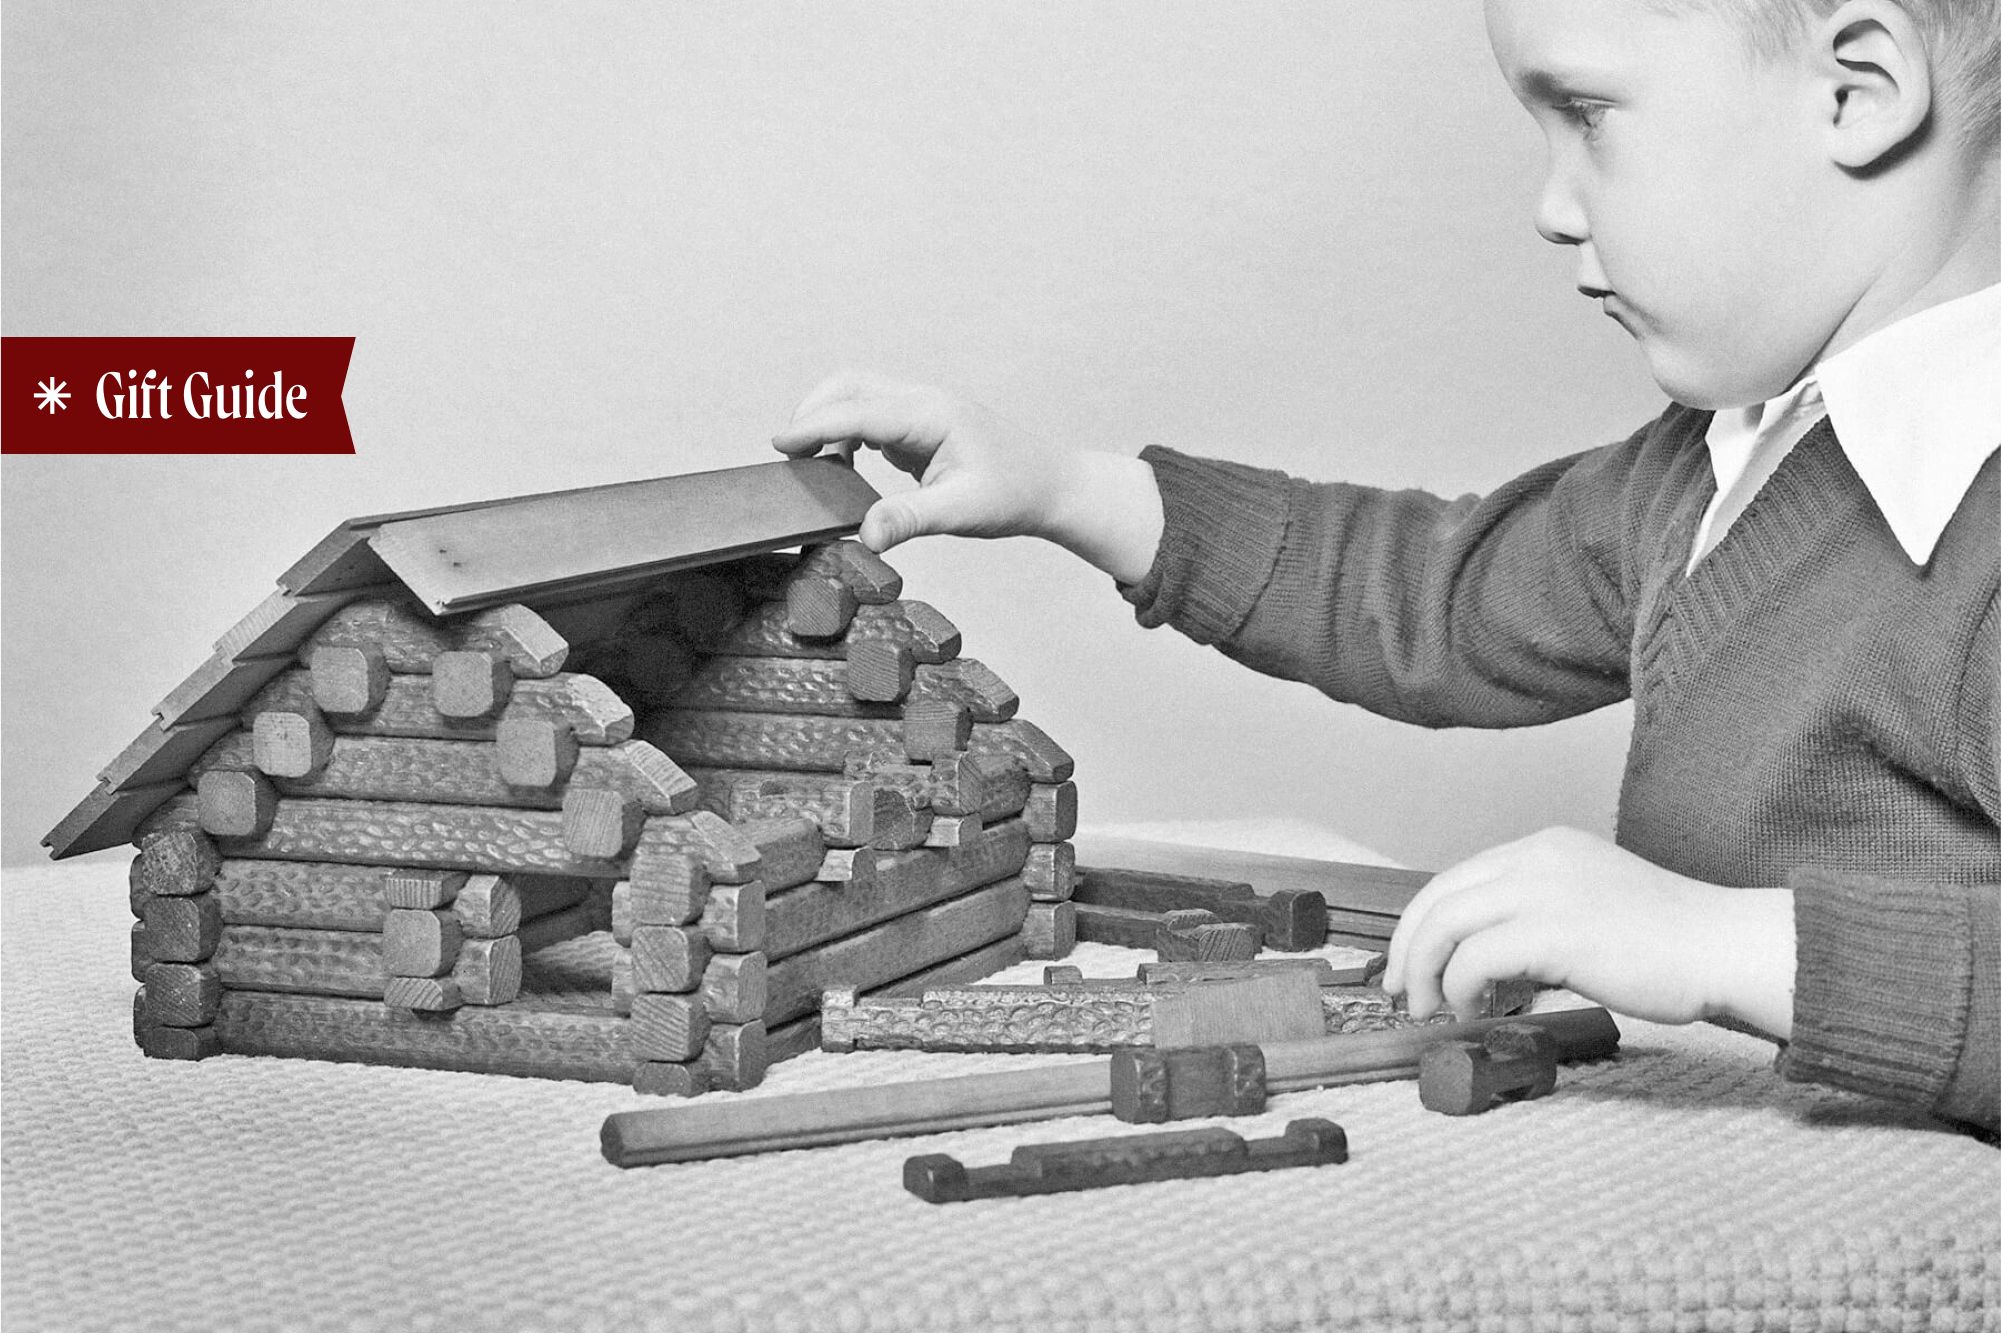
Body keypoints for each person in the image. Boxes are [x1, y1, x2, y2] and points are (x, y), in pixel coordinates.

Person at [771, 0, 2001, 1133]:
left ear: (1858, 93)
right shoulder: (1716, 466)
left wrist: (1721, 943)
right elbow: (1433, 598)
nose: (1553, 206)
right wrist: (1062, 487)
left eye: (1587, 116)